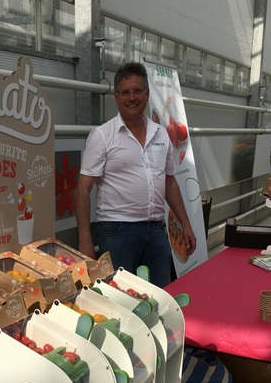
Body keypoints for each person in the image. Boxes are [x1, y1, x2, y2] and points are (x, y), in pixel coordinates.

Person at [75, 61, 196, 288]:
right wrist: (85, 239)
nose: (132, 97)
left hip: (156, 231)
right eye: (125, 92)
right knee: (120, 297)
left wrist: (185, 224)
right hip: (117, 232)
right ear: (116, 97)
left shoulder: (161, 134)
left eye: (137, 91)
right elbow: (83, 189)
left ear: (147, 94)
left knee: (161, 293)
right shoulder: (102, 136)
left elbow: (169, 182)